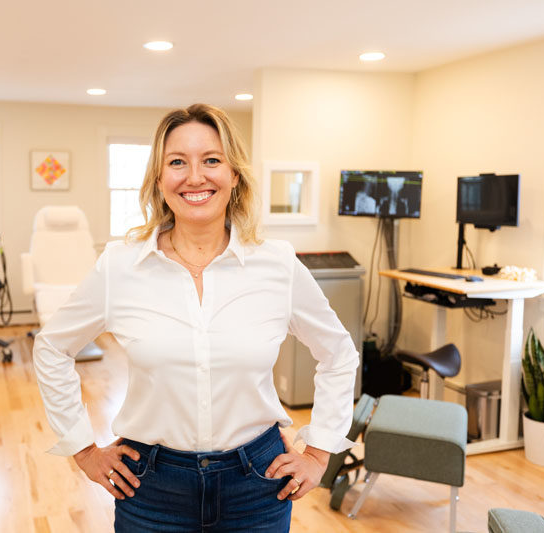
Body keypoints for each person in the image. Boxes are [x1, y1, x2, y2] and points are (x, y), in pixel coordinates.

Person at [33, 103, 359, 532]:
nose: (195, 177)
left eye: (211, 160)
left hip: (258, 486)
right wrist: (84, 450)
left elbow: (338, 353)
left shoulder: (276, 264)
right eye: (177, 162)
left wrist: (319, 452)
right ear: (159, 179)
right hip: (150, 489)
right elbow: (52, 346)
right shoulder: (121, 266)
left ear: (234, 175)